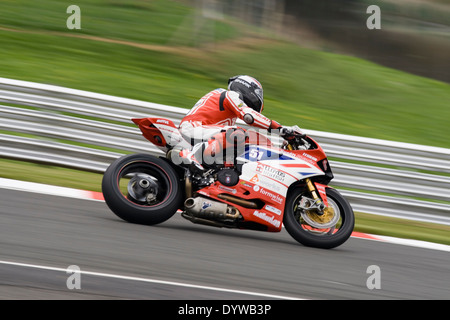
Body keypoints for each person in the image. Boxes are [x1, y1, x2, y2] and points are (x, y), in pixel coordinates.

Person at [174, 75, 290, 172]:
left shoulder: (228, 111)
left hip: (202, 131)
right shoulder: (229, 95)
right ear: (247, 87)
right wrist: (279, 129)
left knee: (250, 138)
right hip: (194, 128)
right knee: (237, 133)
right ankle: (191, 155)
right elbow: (249, 116)